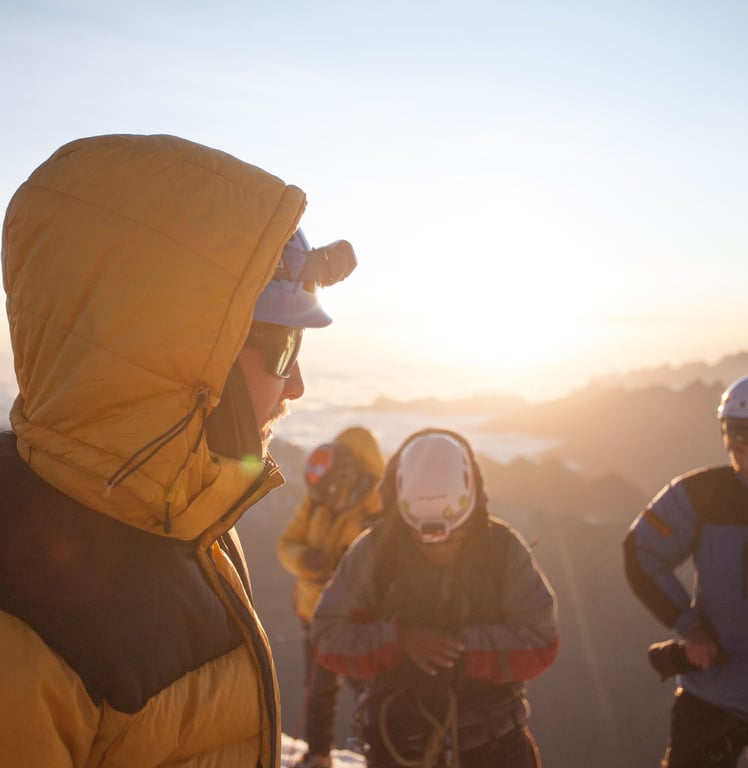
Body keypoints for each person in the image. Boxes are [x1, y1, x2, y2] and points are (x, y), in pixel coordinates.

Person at [0, 133, 356, 767]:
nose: (297, 384)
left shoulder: (194, 513)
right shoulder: (20, 641)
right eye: (284, 348)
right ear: (190, 354)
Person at [310, 428, 559, 768]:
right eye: (423, 533)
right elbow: (327, 636)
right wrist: (399, 640)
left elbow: (541, 641)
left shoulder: (502, 550)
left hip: (495, 745)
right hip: (400, 743)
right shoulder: (375, 554)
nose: (440, 545)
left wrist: (459, 648)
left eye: (454, 532)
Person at [623, 374, 748, 768]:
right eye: (738, 449)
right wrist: (690, 626)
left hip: (713, 690)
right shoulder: (700, 495)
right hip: (713, 695)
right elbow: (640, 552)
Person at [278, 426, 386, 767]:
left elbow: (387, 565)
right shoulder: (318, 498)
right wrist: (306, 561)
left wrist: (345, 575)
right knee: (319, 689)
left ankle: (385, 756)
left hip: (357, 620)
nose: (326, 499)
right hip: (314, 613)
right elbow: (287, 544)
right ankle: (319, 755)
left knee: (371, 693)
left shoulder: (377, 507)